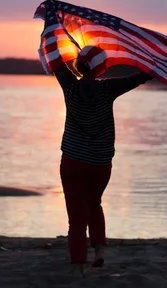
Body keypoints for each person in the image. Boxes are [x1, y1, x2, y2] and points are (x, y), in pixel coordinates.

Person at [53, 50, 153, 276]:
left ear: (79, 65)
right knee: (94, 204)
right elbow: (140, 77)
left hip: (73, 161)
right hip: (100, 162)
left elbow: (57, 63)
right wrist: (164, 62)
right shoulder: (108, 88)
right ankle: (98, 252)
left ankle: (78, 266)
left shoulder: (70, 86)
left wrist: (52, 25)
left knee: (76, 217)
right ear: (101, 68)